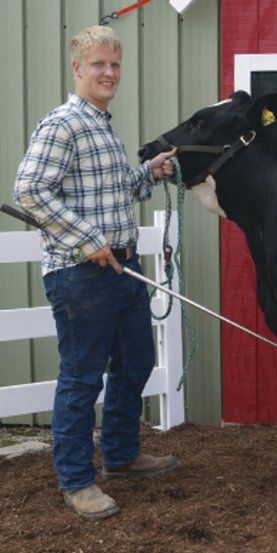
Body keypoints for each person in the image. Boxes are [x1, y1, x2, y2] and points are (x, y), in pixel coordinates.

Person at [14, 25, 180, 520]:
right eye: (98, 65)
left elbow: (104, 192)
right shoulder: (63, 123)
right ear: (77, 69)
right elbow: (29, 191)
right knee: (82, 379)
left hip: (122, 268)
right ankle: (76, 481)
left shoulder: (102, 124)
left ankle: (122, 456)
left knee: (135, 364)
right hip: (79, 275)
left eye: (114, 65)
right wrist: (86, 240)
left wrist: (146, 174)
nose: (109, 73)